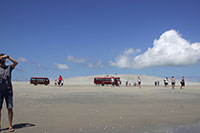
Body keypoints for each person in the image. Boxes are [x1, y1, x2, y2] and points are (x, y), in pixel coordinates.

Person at [0, 54, 18, 132]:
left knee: (9, 108)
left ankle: (10, 125)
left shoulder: (8, 68)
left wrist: (7, 57)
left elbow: (15, 63)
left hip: (8, 90)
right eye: (2, 59)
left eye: (4, 60)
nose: (3, 61)